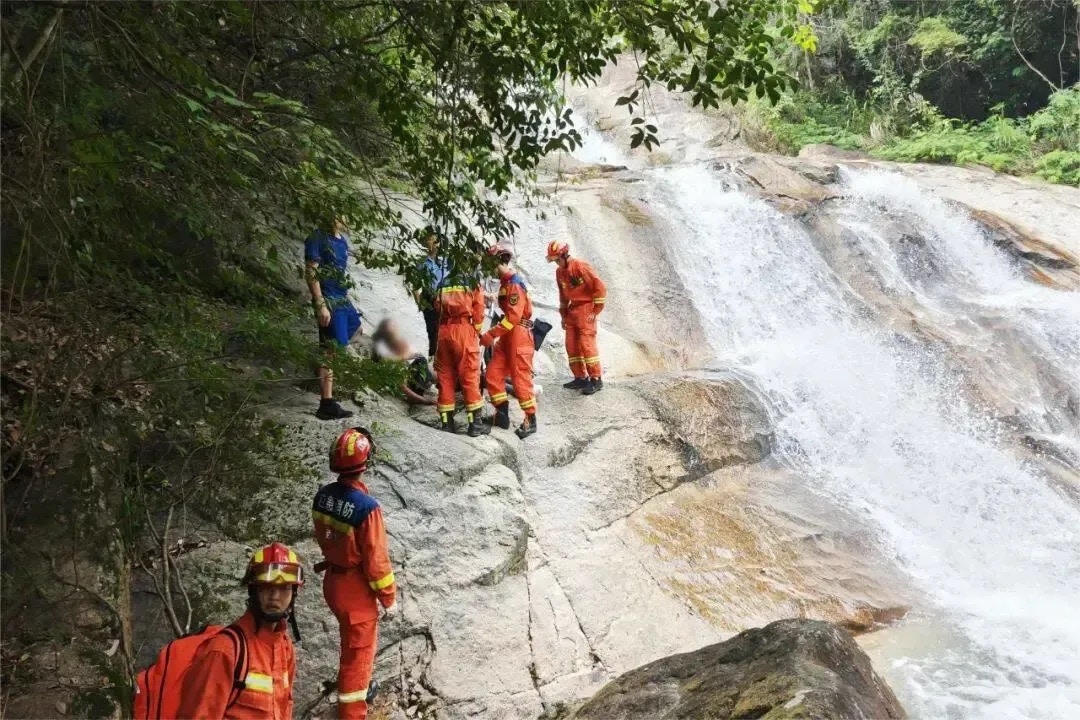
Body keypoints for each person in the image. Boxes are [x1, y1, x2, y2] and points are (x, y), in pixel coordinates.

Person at [313, 427, 397, 720]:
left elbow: (322, 536)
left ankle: (357, 686)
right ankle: (352, 710)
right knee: (359, 654)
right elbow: (376, 560)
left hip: (333, 582)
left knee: (350, 643)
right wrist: (388, 597)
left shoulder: (323, 497)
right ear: (366, 463)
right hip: (354, 590)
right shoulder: (366, 508)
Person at [176, 543, 303, 719]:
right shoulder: (224, 650)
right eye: (266, 587)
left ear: (294, 593)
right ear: (253, 590)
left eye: (284, 588)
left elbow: (283, 709)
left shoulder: (285, 646)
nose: (275, 596)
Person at [306, 216, 362, 420]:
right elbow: (311, 270)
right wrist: (320, 302)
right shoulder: (317, 237)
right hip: (329, 298)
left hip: (342, 297)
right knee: (330, 349)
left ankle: (327, 400)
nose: (337, 218)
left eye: (340, 214)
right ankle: (326, 403)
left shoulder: (341, 240)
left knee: (356, 328)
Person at [479, 244, 538, 439]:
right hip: (507, 336)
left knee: (521, 380)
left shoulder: (513, 283)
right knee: (493, 375)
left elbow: (513, 317)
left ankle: (530, 420)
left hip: (518, 335)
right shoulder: (506, 283)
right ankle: (501, 415)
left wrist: (491, 334)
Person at [546, 240, 607, 395]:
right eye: (555, 261)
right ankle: (580, 377)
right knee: (571, 345)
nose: (556, 264)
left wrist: (595, 310)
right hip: (572, 311)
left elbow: (599, 286)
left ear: (565, 255)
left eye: (557, 260)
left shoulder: (580, 266)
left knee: (587, 345)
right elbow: (563, 295)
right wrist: (563, 315)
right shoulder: (559, 272)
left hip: (586, 308)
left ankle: (596, 379)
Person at [434, 270, 489, 436]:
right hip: (464, 330)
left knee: (445, 376)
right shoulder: (472, 281)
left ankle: (446, 423)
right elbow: (479, 310)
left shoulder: (443, 282)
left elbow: (437, 306)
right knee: (470, 375)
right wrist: (476, 331)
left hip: (444, 331)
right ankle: (475, 424)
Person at [370, 318, 437, 406]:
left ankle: (428, 382)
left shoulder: (383, 350)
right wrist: (424, 400)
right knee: (426, 366)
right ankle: (425, 385)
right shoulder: (388, 364)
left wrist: (407, 357)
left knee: (421, 359)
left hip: (407, 381)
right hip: (410, 391)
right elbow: (404, 388)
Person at [413, 227, 452, 360]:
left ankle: (445, 361)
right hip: (430, 299)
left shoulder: (448, 262)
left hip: (447, 299)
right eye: (430, 240)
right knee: (433, 332)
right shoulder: (422, 263)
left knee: (447, 331)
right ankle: (433, 361)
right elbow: (415, 286)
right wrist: (421, 305)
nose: (433, 244)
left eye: (435, 241)